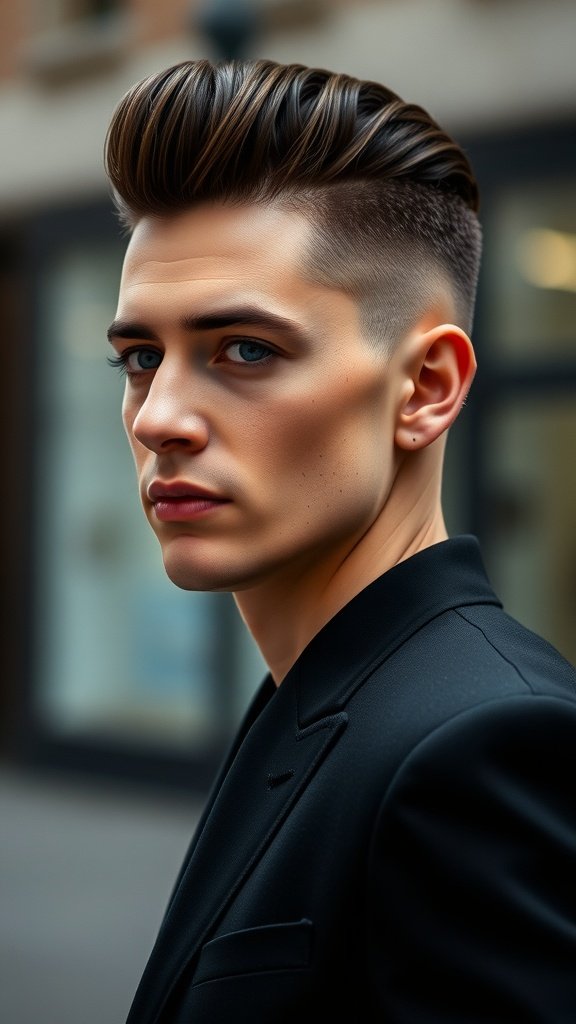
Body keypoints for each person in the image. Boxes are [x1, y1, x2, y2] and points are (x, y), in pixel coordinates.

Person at [104, 60, 576, 1023]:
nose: (160, 417)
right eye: (142, 357)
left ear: (428, 388)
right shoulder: (329, 697)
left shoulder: (482, 745)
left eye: (246, 350)